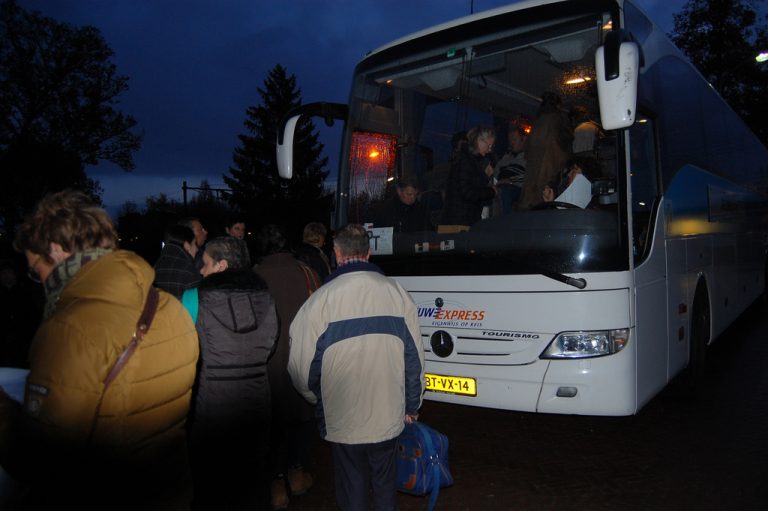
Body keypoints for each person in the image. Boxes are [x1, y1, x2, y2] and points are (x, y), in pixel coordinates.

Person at [0, 190, 199, 510]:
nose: (38, 277)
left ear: (55, 249)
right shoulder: (168, 307)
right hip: (170, 489)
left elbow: (39, 458)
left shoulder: (71, 328)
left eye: (34, 267)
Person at [288, 223, 425, 511]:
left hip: (343, 415)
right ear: (369, 252)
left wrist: (320, 398)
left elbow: (301, 367)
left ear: (336, 254)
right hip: (388, 412)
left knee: (352, 487)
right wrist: (411, 406)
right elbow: (414, 360)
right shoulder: (397, 294)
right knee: (386, 485)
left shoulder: (319, 301)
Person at [188, 236, 278, 510]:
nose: (201, 271)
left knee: (212, 485)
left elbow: (184, 353)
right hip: (257, 401)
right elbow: (271, 345)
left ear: (222, 265)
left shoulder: (193, 298)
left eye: (205, 264)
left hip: (211, 407)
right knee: (253, 481)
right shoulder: (267, 298)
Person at [254, 225, 320, 511]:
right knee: (302, 420)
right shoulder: (308, 273)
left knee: (273, 427)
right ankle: (297, 474)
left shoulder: (253, 277)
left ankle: (277, 484)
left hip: (266, 362)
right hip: (302, 359)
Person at [518, 92, 573, 209]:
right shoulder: (558, 120)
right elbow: (563, 146)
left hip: (533, 171)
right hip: (550, 168)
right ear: (557, 105)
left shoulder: (537, 122)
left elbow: (527, 150)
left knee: (530, 200)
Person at [441, 125, 498, 227]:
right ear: (479, 141)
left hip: (463, 217)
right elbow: (467, 192)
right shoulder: (466, 160)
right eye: (489, 146)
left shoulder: (469, 159)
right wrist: (491, 191)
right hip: (460, 220)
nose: (489, 150)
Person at [153, 224, 201, 299]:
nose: (197, 249)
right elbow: (197, 304)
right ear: (187, 245)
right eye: (194, 244)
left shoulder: (154, 267)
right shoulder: (189, 271)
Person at [494, 121, 528, 214]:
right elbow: (495, 175)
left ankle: (505, 223)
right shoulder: (505, 158)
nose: (511, 143)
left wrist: (510, 180)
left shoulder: (528, 158)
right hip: (500, 186)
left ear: (523, 139)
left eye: (514, 139)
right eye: (510, 140)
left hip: (516, 188)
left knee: (505, 192)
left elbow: (529, 177)